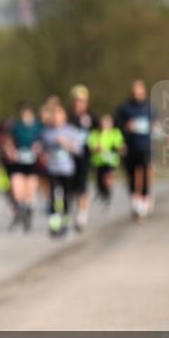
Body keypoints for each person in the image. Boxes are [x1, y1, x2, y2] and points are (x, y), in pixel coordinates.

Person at [115, 80, 155, 220]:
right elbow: (116, 127)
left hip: (145, 147)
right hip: (129, 146)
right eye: (134, 92)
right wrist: (126, 127)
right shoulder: (124, 108)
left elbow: (155, 125)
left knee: (145, 173)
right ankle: (135, 200)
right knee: (131, 174)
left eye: (140, 91)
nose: (137, 94)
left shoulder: (150, 108)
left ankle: (145, 199)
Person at [41, 103, 81, 238]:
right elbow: (42, 148)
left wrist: (66, 144)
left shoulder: (70, 131)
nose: (56, 118)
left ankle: (65, 222)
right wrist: (42, 153)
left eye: (59, 115)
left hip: (67, 169)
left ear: (64, 116)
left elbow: (78, 149)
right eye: (54, 115)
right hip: (52, 168)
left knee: (66, 196)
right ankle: (53, 224)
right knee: (52, 196)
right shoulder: (46, 132)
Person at [4, 102, 42, 232]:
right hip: (19, 162)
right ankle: (19, 214)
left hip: (33, 163)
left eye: (28, 115)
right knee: (16, 190)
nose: (25, 118)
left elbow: (44, 141)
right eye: (23, 115)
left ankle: (27, 216)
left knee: (29, 193)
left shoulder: (38, 126)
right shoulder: (16, 127)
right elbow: (8, 141)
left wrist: (38, 147)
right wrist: (11, 151)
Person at [67, 85, 94, 232]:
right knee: (71, 188)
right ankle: (71, 211)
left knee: (83, 187)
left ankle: (82, 216)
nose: (79, 104)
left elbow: (102, 132)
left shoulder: (91, 118)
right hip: (69, 158)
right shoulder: (67, 118)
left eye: (82, 101)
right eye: (77, 101)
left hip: (85, 156)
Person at [88, 114, 125, 207]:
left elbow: (119, 144)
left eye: (108, 123)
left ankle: (108, 191)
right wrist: (96, 147)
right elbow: (91, 146)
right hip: (99, 161)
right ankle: (102, 192)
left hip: (111, 160)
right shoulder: (95, 133)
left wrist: (121, 149)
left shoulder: (115, 132)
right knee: (99, 179)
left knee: (108, 175)